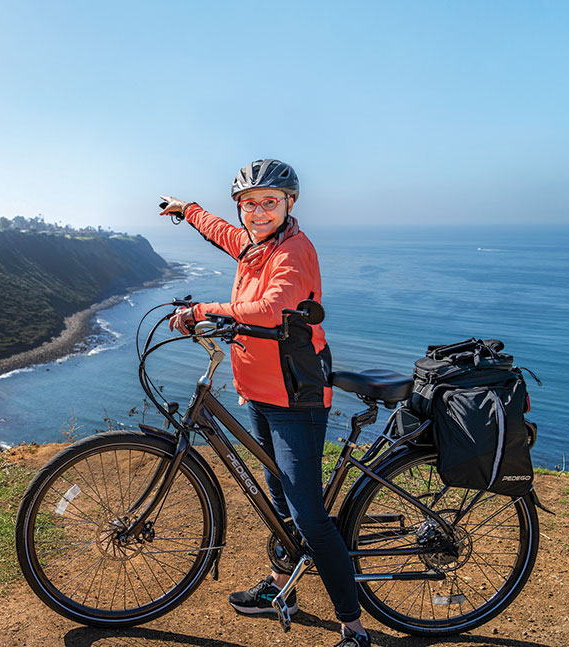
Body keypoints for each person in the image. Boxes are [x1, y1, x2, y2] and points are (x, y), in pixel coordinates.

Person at [159, 159, 371, 647]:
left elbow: (272, 309)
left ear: (289, 204)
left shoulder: (293, 253)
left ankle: (353, 627)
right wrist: (185, 209)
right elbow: (221, 232)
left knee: (307, 515)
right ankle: (283, 591)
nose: (257, 212)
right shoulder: (256, 245)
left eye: (268, 202)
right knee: (277, 503)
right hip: (258, 392)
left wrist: (201, 311)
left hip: (295, 398)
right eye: (249, 204)